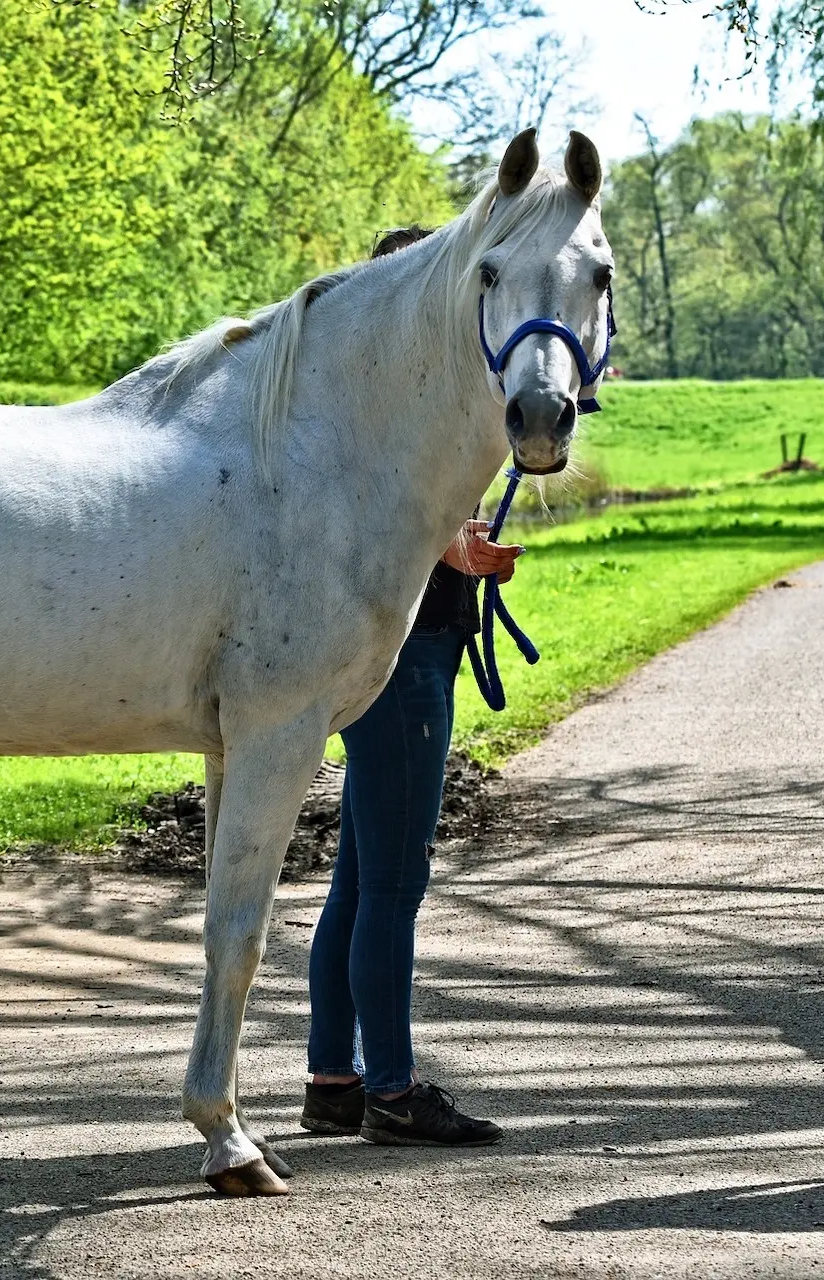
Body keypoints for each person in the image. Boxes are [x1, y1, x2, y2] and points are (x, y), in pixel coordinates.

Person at [300, 225, 523, 1147]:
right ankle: (391, 1092)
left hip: (393, 646)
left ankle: (332, 1081)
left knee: (356, 883)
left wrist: (456, 542)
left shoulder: (363, 399)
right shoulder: (387, 409)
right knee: (392, 884)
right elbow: (387, 509)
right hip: (406, 653)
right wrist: (453, 546)